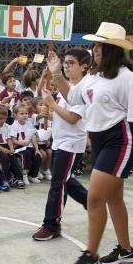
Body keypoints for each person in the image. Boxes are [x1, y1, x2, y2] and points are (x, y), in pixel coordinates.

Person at [47, 22, 133, 264]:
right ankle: (126, 250)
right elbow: (73, 98)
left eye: (100, 45)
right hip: (99, 141)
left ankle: (90, 254)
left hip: (119, 141)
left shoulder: (127, 78)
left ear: (111, 49)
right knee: (114, 198)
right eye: (95, 44)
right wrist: (56, 74)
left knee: (95, 197)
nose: (95, 49)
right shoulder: (94, 76)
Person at [33, 48, 90, 241]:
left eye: (71, 63)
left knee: (58, 182)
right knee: (64, 178)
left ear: (84, 66)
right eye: (64, 62)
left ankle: (52, 224)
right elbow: (62, 115)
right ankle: (90, 201)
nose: (66, 66)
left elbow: (74, 118)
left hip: (72, 143)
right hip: (59, 140)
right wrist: (48, 113)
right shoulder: (66, 87)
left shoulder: (83, 89)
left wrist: (52, 104)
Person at [0, 103, 25, 188]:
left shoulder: (8, 126)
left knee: (13, 158)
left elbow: (9, 139)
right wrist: (2, 149)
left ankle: (19, 178)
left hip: (6, 146)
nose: (3, 120)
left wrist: (11, 149)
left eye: (5, 118)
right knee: (4, 159)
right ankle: (7, 179)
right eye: (1, 118)